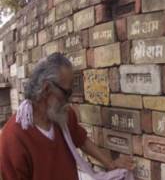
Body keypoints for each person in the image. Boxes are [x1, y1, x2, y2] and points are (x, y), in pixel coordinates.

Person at [0, 53, 135, 180]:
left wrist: (110, 164)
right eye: (66, 93)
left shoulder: (63, 117)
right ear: (46, 89)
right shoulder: (12, 138)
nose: (68, 100)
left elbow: (81, 140)